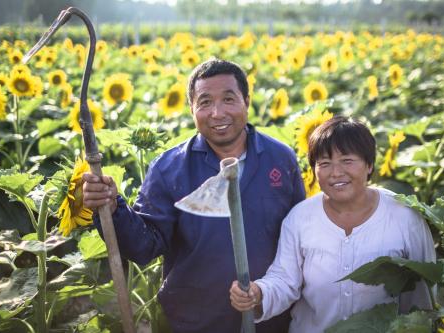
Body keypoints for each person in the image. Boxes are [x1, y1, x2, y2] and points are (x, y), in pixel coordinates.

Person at [82, 59, 305, 333]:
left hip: (272, 320)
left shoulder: (280, 159)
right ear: (191, 109)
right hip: (192, 320)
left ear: (247, 101)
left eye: (228, 99)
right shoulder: (169, 168)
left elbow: (300, 240)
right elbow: (144, 246)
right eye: (205, 102)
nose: (217, 113)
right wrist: (112, 207)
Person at [230, 116, 436, 333]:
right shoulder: (300, 218)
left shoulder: (404, 216)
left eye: (347, 160)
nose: (336, 172)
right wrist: (258, 293)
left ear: (369, 164)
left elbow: (422, 293)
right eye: (324, 163)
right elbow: (284, 280)